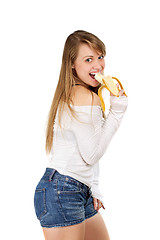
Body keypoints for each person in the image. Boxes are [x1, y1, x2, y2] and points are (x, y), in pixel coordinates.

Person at [34, 30, 128, 240]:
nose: (98, 65)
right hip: (63, 191)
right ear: (72, 65)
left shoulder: (78, 93)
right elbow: (91, 154)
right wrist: (117, 112)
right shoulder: (83, 95)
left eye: (100, 57)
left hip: (73, 189)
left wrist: (93, 188)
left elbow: (84, 150)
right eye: (88, 59)